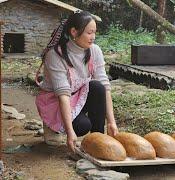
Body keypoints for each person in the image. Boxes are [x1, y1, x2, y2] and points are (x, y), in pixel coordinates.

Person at [35, 11, 118, 153]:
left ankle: (98, 140)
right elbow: (63, 95)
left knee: (97, 87)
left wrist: (111, 122)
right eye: (89, 33)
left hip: (79, 95)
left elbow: (105, 86)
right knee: (82, 126)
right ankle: (52, 126)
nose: (93, 37)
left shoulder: (95, 51)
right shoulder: (55, 55)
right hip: (56, 101)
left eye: (94, 33)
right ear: (74, 32)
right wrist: (70, 132)